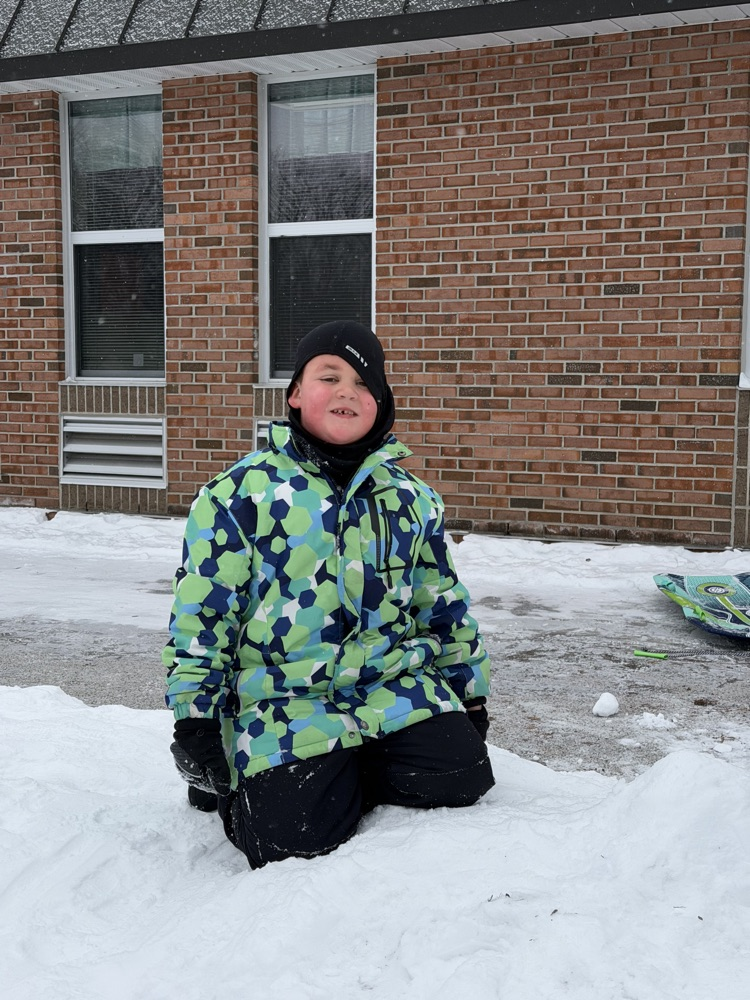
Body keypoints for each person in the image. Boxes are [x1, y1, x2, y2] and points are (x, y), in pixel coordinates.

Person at [163, 320, 494, 868]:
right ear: (295, 394)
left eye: (366, 384)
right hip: (282, 697)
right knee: (291, 842)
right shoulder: (241, 495)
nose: (348, 391)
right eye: (330, 376)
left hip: (388, 683)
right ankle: (241, 785)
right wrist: (195, 718)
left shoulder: (410, 500)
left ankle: (347, 762)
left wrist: (470, 692)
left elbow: (441, 603)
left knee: (464, 777)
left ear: (382, 405)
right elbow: (202, 614)